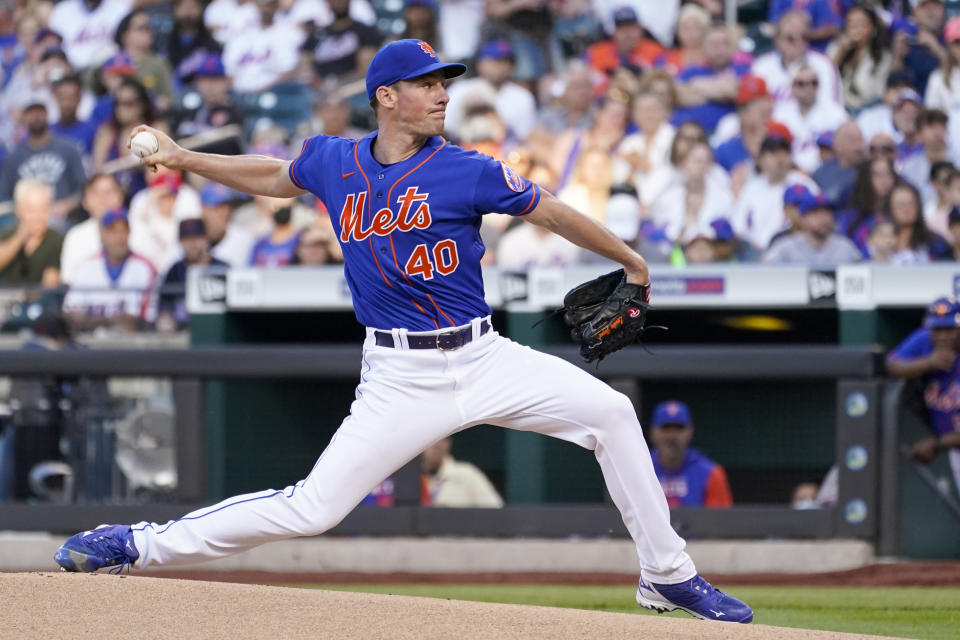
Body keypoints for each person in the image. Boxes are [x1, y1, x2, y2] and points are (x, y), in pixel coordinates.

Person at [55, 38, 753, 624]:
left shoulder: (466, 169)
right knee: (312, 510)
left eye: (444, 82)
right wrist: (185, 158)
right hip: (398, 377)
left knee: (611, 413)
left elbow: (549, 211)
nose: (443, 93)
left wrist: (628, 258)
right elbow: (273, 176)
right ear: (387, 96)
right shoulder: (336, 161)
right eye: (427, 84)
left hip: (483, 355)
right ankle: (139, 544)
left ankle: (666, 572)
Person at [886, 296, 960, 497]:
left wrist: (936, 445)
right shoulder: (925, 341)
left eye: (950, 329)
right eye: (938, 329)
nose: (943, 336)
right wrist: (928, 363)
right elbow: (887, 366)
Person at [62, 208, 156, 330]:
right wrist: (113, 320)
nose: (119, 237)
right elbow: (71, 314)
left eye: (123, 230)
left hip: (131, 344)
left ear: (129, 233)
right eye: (112, 231)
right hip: (89, 342)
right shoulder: (85, 267)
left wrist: (92, 319)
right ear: (102, 235)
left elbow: (139, 320)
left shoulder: (144, 267)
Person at [0, 97, 86, 228]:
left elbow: (83, 187)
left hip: (63, 219)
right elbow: (4, 196)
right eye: (31, 113)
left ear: (47, 114)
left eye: (40, 112)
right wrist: (24, 211)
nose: (36, 117)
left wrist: (67, 205)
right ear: (24, 117)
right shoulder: (13, 157)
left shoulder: (69, 149)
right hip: (26, 220)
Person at [444, 40, 537, 143]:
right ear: (480, 64)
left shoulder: (522, 96)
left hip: (508, 153)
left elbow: (525, 136)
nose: (501, 66)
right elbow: (448, 129)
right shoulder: (460, 90)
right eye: (496, 61)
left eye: (507, 61)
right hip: (465, 149)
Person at [648, 400, 733, 509]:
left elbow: (720, 522)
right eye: (666, 428)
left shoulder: (711, 473)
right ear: (653, 432)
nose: (672, 436)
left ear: (690, 432)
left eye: (679, 428)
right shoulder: (640, 470)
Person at [750, 10, 843, 109]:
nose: (798, 42)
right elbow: (753, 108)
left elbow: (832, 109)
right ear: (777, 39)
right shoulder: (762, 65)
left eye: (804, 37)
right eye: (791, 38)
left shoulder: (823, 64)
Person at [670, 23, 749, 136]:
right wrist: (718, 90)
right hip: (686, 133)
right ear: (703, 48)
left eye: (724, 43)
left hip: (727, 134)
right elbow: (677, 95)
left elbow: (733, 90)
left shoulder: (743, 71)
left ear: (732, 48)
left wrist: (694, 85)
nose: (719, 49)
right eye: (713, 44)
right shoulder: (691, 72)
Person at [773, 64, 848, 174]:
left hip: (826, 174)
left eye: (813, 83)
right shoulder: (779, 114)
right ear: (792, 87)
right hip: (789, 173)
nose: (808, 88)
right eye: (801, 84)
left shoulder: (836, 114)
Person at [156, 218, 228, 331]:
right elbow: (163, 307)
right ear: (180, 241)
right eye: (187, 239)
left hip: (216, 331)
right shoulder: (174, 270)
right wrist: (166, 318)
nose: (192, 244)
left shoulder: (222, 268)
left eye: (196, 238)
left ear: (206, 239)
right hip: (182, 333)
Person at [763, 193, 862, 266]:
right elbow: (764, 275)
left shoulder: (845, 247)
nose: (823, 218)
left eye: (827, 212)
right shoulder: (784, 248)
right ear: (802, 219)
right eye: (815, 213)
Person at [60, 174, 125, 284]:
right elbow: (69, 280)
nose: (103, 199)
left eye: (109, 192)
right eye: (96, 193)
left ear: (120, 196)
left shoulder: (138, 230)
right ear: (85, 202)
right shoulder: (75, 236)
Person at [299, 0, 381, 86]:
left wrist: (335, 86)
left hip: (353, 92)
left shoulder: (365, 32)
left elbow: (365, 71)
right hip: (319, 91)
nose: (338, 1)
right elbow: (304, 68)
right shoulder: (316, 35)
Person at [827, 3, 890, 112]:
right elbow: (825, 80)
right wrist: (841, 52)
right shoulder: (835, 48)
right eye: (851, 23)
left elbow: (868, 92)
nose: (855, 28)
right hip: (836, 110)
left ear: (873, 29)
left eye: (861, 23)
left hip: (867, 111)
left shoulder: (882, 57)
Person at [0, 179, 64, 287]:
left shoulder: (57, 241)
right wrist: (19, 239)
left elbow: (50, 284)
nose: (37, 217)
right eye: (31, 210)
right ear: (18, 210)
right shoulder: (5, 234)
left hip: (39, 302)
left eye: (43, 209)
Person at [421, 436, 504, 507]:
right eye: (431, 438)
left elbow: (495, 509)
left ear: (449, 443)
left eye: (442, 438)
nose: (437, 445)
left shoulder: (467, 474)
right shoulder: (410, 478)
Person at [812, 120, 864, 208]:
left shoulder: (870, 170)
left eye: (860, 140)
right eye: (852, 140)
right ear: (836, 144)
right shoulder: (821, 173)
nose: (858, 146)